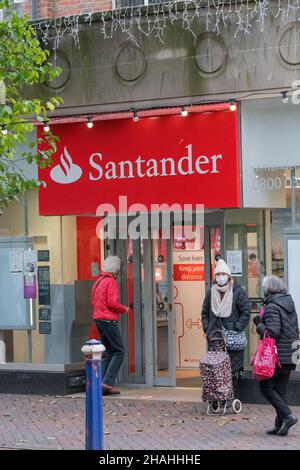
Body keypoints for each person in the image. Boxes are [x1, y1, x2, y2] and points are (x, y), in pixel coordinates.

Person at [253, 275, 299, 436]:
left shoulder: (272, 306)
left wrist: (259, 324)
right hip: (289, 353)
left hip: (276, 355)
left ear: (269, 289)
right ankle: (280, 425)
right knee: (280, 390)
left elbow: (272, 332)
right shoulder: (289, 304)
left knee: (265, 387)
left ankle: (288, 416)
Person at [201, 259, 250, 392]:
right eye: (218, 274)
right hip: (215, 337)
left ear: (229, 276)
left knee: (232, 368)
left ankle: (231, 394)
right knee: (216, 368)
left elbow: (245, 312)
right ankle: (218, 395)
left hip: (232, 339)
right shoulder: (210, 292)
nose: (220, 277)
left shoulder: (238, 292)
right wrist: (207, 328)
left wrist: (236, 327)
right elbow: (204, 312)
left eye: (223, 274)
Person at [92, 255, 130, 396]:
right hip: (108, 321)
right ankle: (107, 383)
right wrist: (124, 309)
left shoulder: (98, 281)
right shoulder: (111, 282)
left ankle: (99, 384)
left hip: (99, 320)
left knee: (107, 352)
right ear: (115, 270)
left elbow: (94, 301)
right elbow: (112, 303)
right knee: (119, 351)